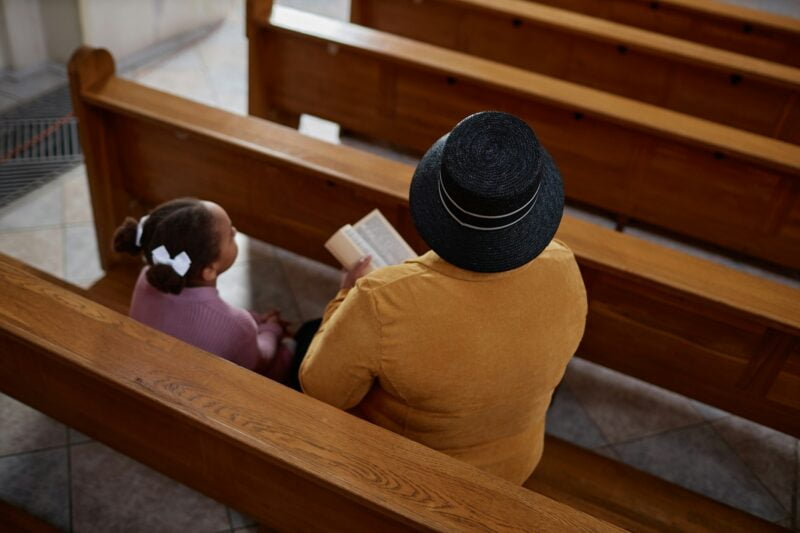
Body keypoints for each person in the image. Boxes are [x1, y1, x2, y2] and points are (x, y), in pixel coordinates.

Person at [298, 111, 587, 484]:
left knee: (306, 342)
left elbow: (321, 390)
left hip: (417, 478)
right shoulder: (563, 264)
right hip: (517, 462)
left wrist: (344, 293)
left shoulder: (380, 298)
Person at [113, 198, 296, 384]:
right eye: (230, 235)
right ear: (209, 270)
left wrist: (256, 320)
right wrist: (272, 329)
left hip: (148, 372)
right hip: (203, 393)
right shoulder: (238, 324)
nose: (235, 231)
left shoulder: (146, 277)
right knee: (288, 350)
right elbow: (259, 362)